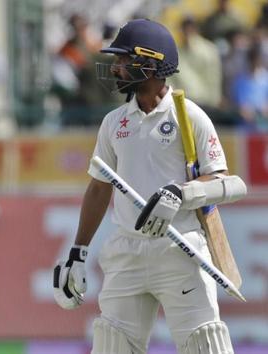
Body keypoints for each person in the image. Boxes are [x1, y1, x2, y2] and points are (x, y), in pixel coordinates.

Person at [53, 19, 247, 354]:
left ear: (152, 63)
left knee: (204, 344)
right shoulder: (114, 122)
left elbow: (225, 182)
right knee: (112, 345)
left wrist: (180, 193)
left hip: (180, 248)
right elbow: (99, 188)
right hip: (127, 251)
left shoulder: (191, 117)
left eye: (124, 60)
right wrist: (78, 253)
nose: (116, 67)